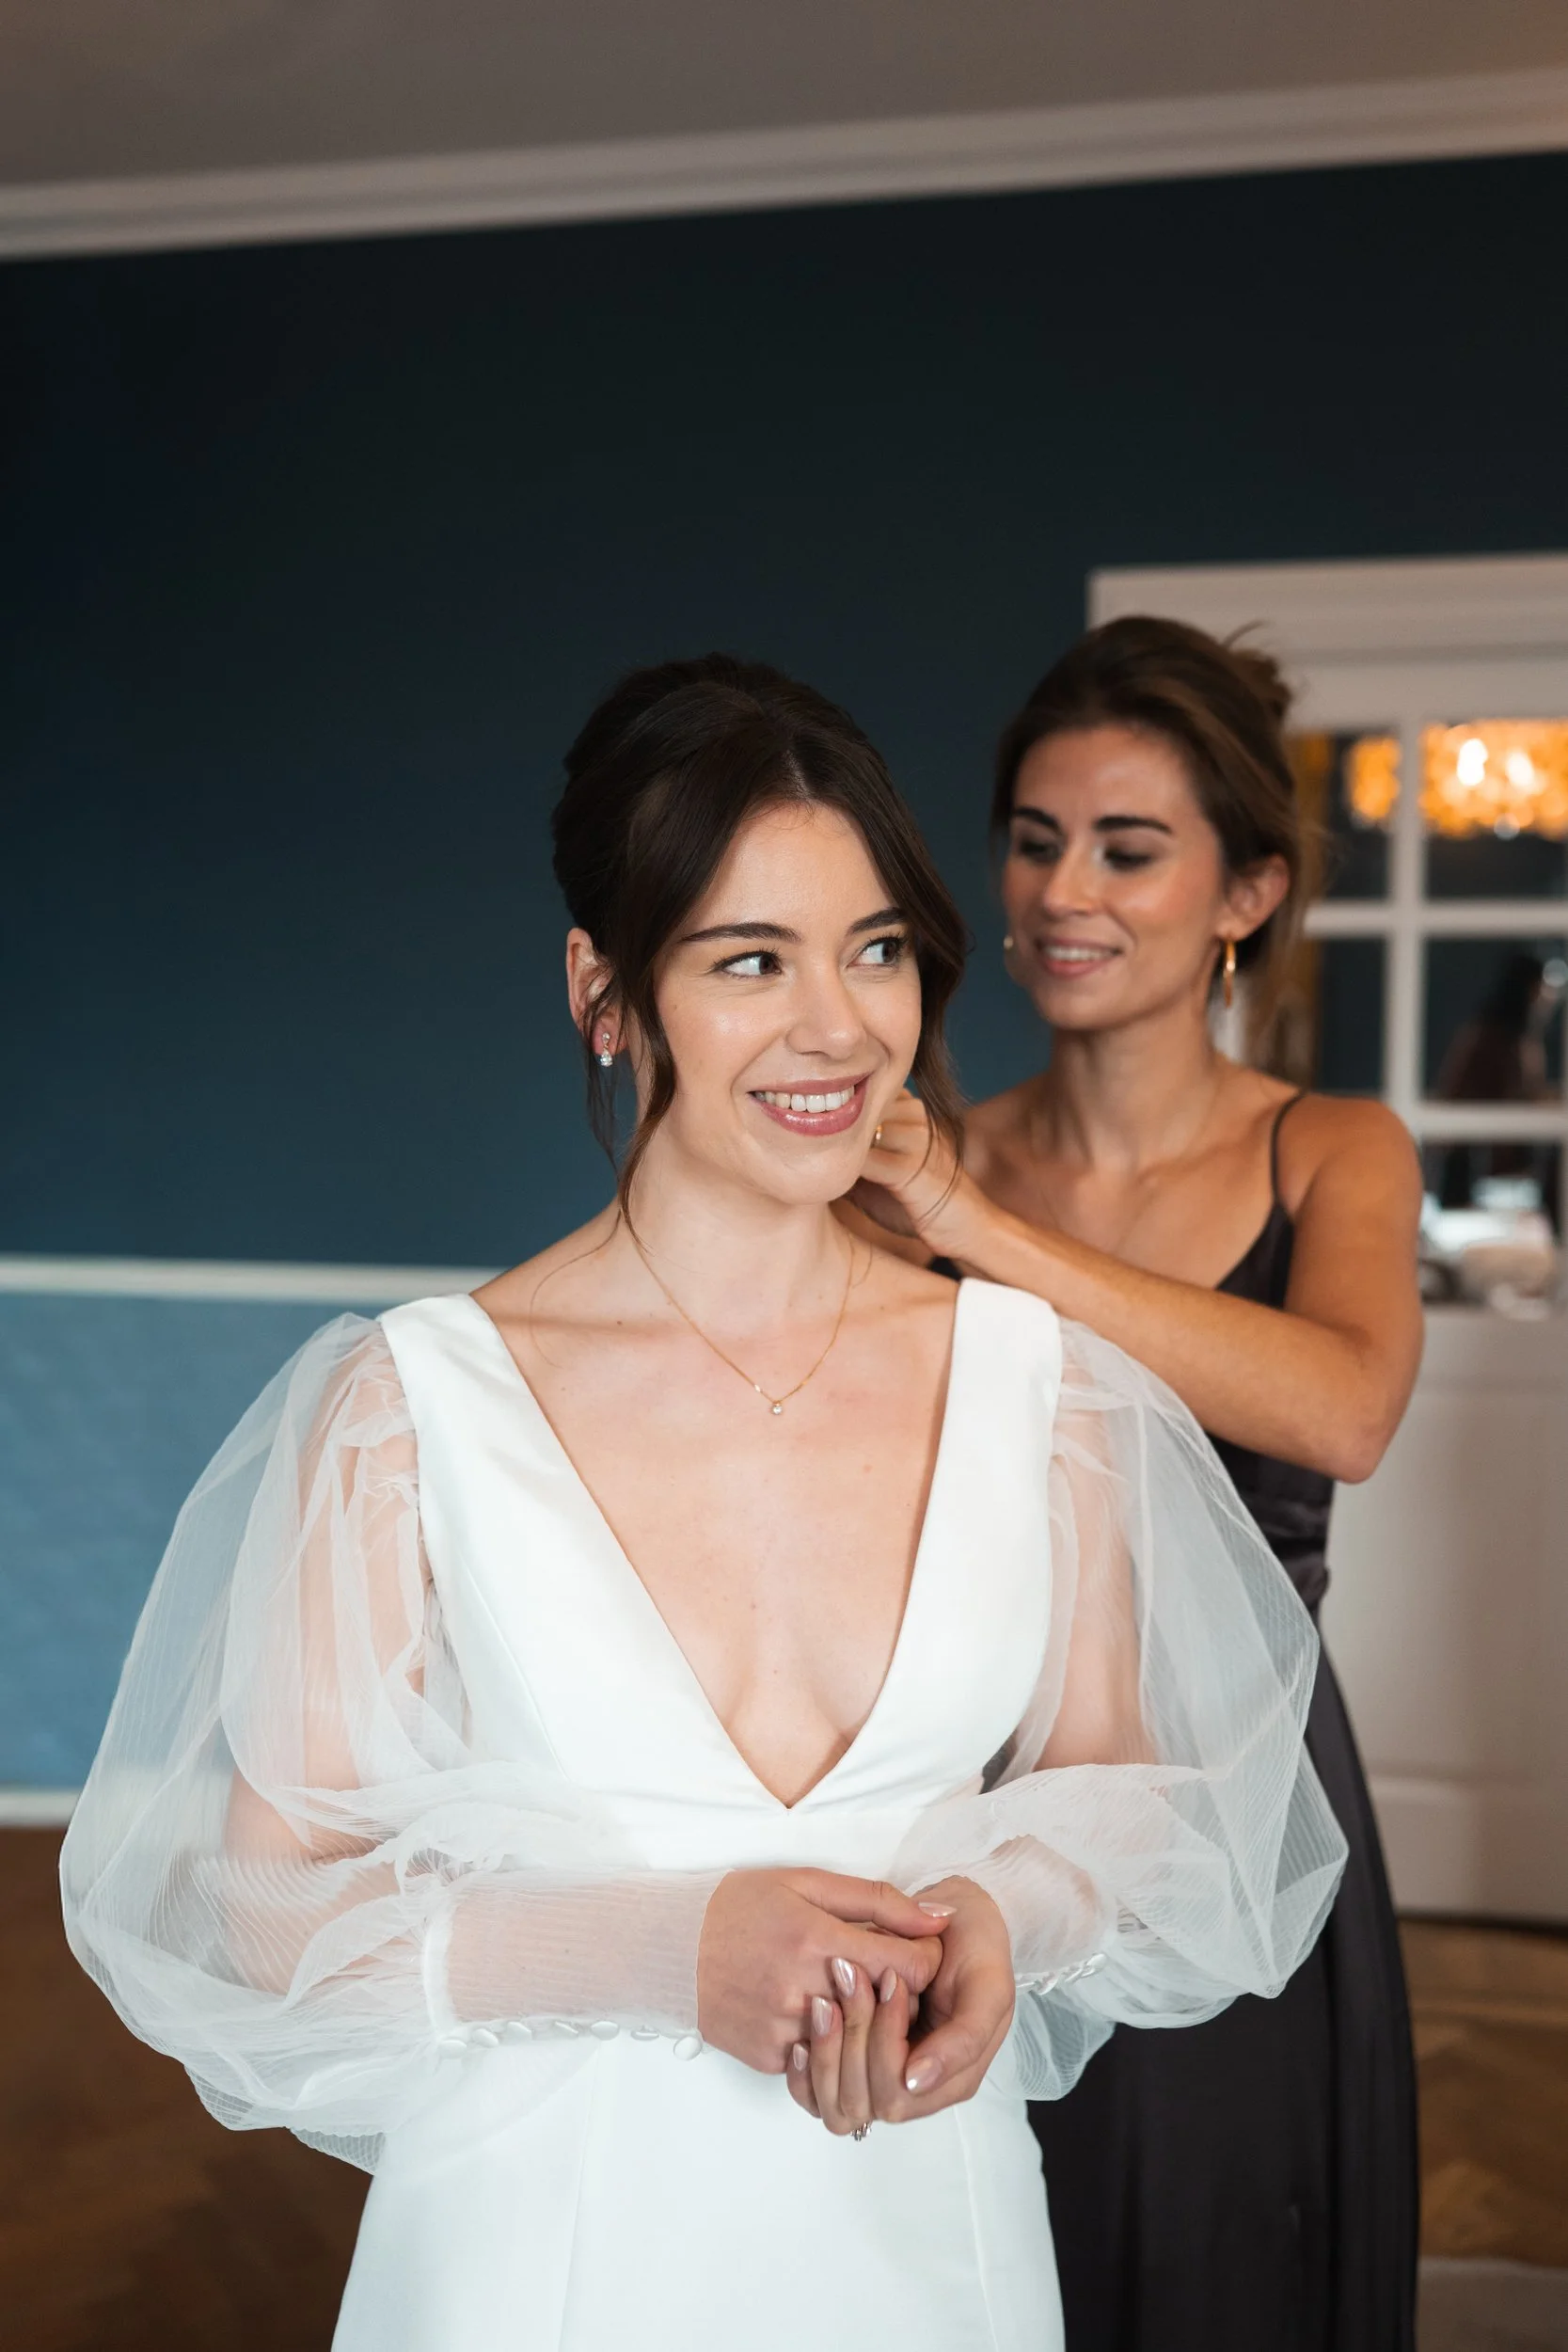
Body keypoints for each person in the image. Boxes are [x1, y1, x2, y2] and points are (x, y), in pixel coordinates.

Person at [61, 654, 1344, 2352]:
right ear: (605, 990)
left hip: (932, 2238)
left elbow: (1116, 1792)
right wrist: (668, 1950)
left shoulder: (1039, 1386)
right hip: (538, 2255)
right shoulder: (409, 1409)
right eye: (751, 960)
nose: (839, 1028)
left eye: (873, 949)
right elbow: (267, 1917)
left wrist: (997, 1914)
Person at [852, 616, 1422, 2352]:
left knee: (1212, 2258)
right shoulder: (929, 1138)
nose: (1059, 891)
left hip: (1230, 1787)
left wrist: (975, 1233)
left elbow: (1338, 1409)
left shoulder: (1326, 1149)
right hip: (960, 1773)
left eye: (1126, 847)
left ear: (1243, 892)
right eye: (1032, 840)